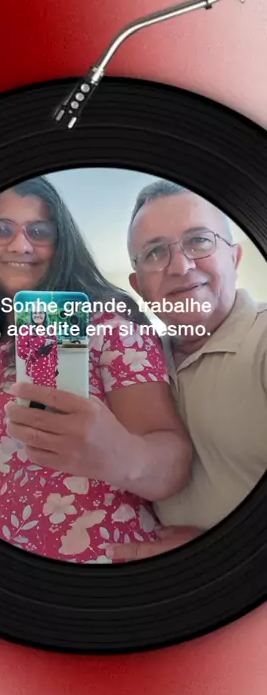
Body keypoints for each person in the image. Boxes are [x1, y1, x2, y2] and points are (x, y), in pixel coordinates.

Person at [0, 175, 191, 563]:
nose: (21, 245)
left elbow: (173, 462)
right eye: (1, 230)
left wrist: (121, 453)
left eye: (39, 231)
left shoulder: (109, 327)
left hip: (95, 565)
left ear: (61, 243)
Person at [108, 179, 267, 562]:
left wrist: (218, 555)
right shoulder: (134, 367)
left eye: (199, 241)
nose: (180, 266)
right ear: (139, 286)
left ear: (234, 258)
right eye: (155, 252)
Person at [16, 309, 58, 387]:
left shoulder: (50, 329)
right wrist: (37, 352)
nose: (37, 315)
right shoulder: (25, 329)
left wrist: (55, 366)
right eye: (35, 313)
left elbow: (54, 351)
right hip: (35, 370)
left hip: (50, 371)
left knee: (49, 393)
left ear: (45, 314)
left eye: (41, 312)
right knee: (36, 393)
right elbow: (20, 350)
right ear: (31, 315)